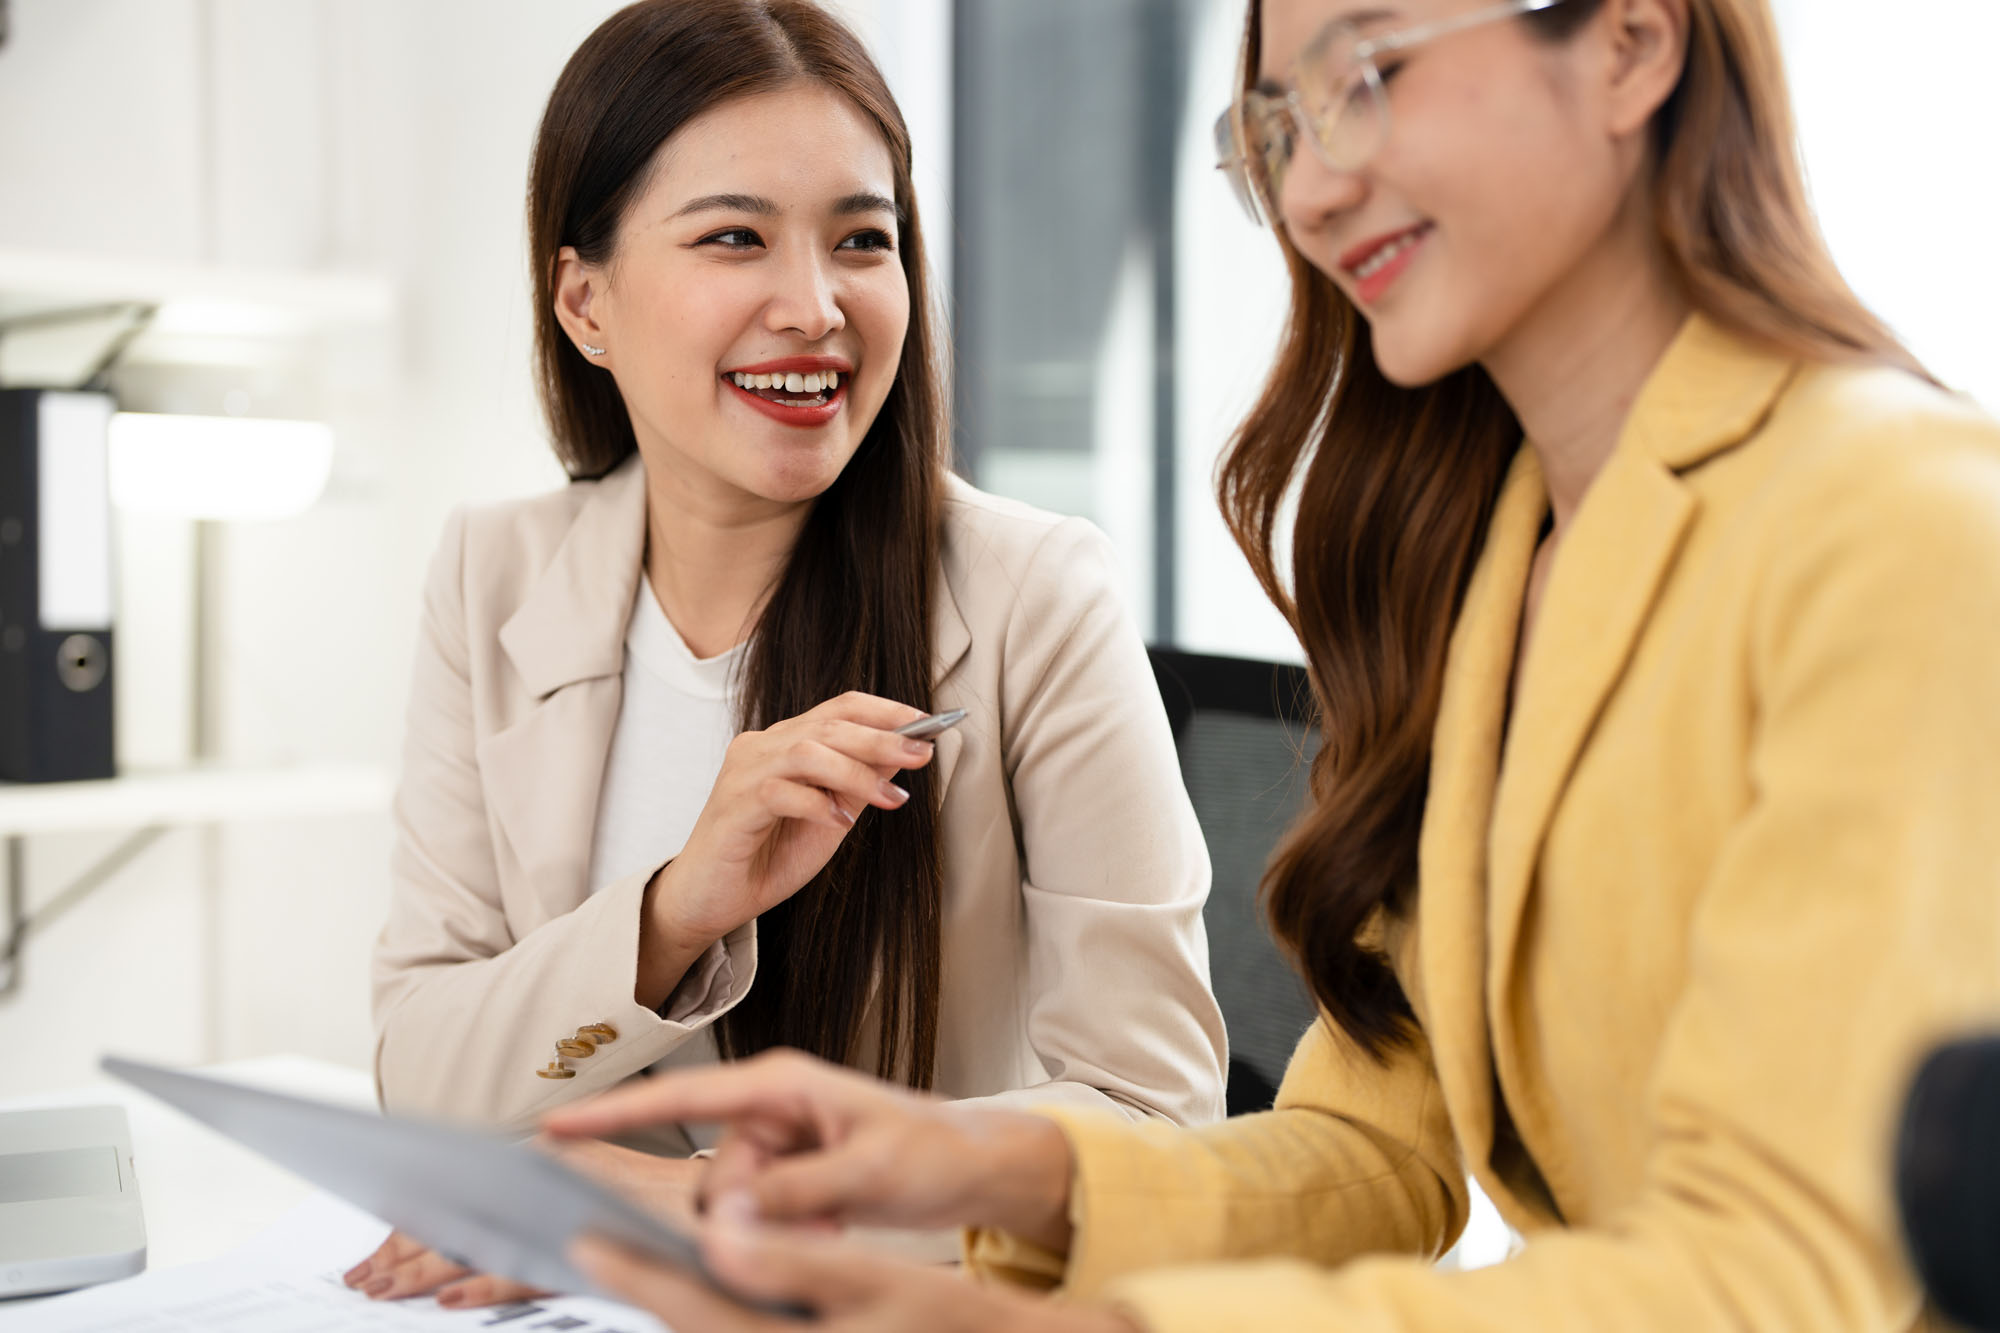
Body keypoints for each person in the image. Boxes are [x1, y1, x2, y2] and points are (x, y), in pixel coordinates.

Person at [533, 0, 2000, 1328]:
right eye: (1275, 130)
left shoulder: (1899, 528)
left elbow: (1780, 1276)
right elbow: (1376, 1149)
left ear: (1630, 42)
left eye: (1367, 74)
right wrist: (983, 1159)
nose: (1309, 189)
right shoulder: (1484, 558)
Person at [344, 0, 1227, 1308]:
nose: (814, 308)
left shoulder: (1038, 593)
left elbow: (1158, 1122)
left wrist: (695, 1205)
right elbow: (425, 1076)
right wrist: (669, 915)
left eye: (863, 241)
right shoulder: (496, 575)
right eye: (735, 238)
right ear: (584, 301)